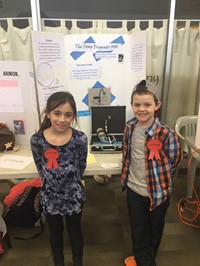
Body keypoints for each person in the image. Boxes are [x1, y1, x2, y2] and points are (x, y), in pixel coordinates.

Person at [121, 80, 182, 266]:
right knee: (139, 233)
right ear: (131, 105)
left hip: (159, 193)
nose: (141, 109)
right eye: (137, 104)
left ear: (157, 105)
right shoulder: (129, 127)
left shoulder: (166, 133)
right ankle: (143, 258)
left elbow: (175, 159)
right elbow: (127, 153)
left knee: (155, 232)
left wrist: (159, 177)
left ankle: (145, 259)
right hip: (134, 191)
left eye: (147, 104)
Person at [30, 91, 88, 266]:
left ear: (73, 116)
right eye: (57, 113)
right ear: (48, 113)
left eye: (68, 114)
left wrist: (69, 182)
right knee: (55, 234)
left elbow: (81, 166)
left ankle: (78, 262)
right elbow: (41, 167)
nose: (62, 119)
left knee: (75, 232)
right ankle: (59, 263)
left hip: (73, 196)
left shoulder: (80, 139)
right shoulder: (37, 140)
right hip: (50, 197)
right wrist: (53, 183)